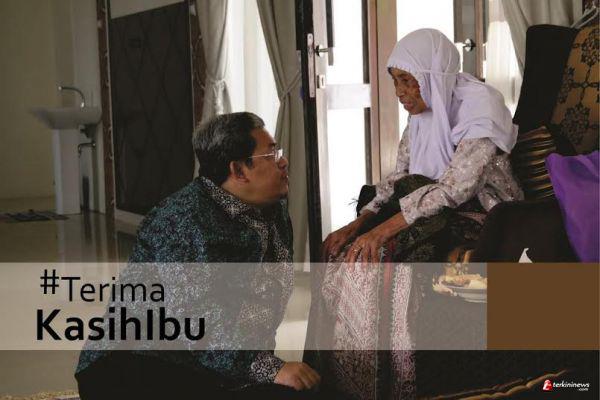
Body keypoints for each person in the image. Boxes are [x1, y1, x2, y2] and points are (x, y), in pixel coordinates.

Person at [306, 29, 523, 399]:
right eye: (395, 81)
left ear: (432, 77)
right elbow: (399, 180)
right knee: (342, 251)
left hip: (481, 216)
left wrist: (383, 230)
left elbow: (455, 189)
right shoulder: (421, 116)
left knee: (385, 257)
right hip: (428, 209)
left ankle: (391, 382)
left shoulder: (481, 112)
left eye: (408, 80)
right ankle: (338, 379)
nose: (400, 92)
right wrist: (358, 224)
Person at [75, 112, 320, 399]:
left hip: (214, 366)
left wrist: (264, 367)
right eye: (271, 154)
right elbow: (198, 323)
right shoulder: (181, 220)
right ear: (239, 170)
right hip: (137, 362)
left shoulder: (273, 209)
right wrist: (270, 369)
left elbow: (262, 306)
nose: (283, 161)